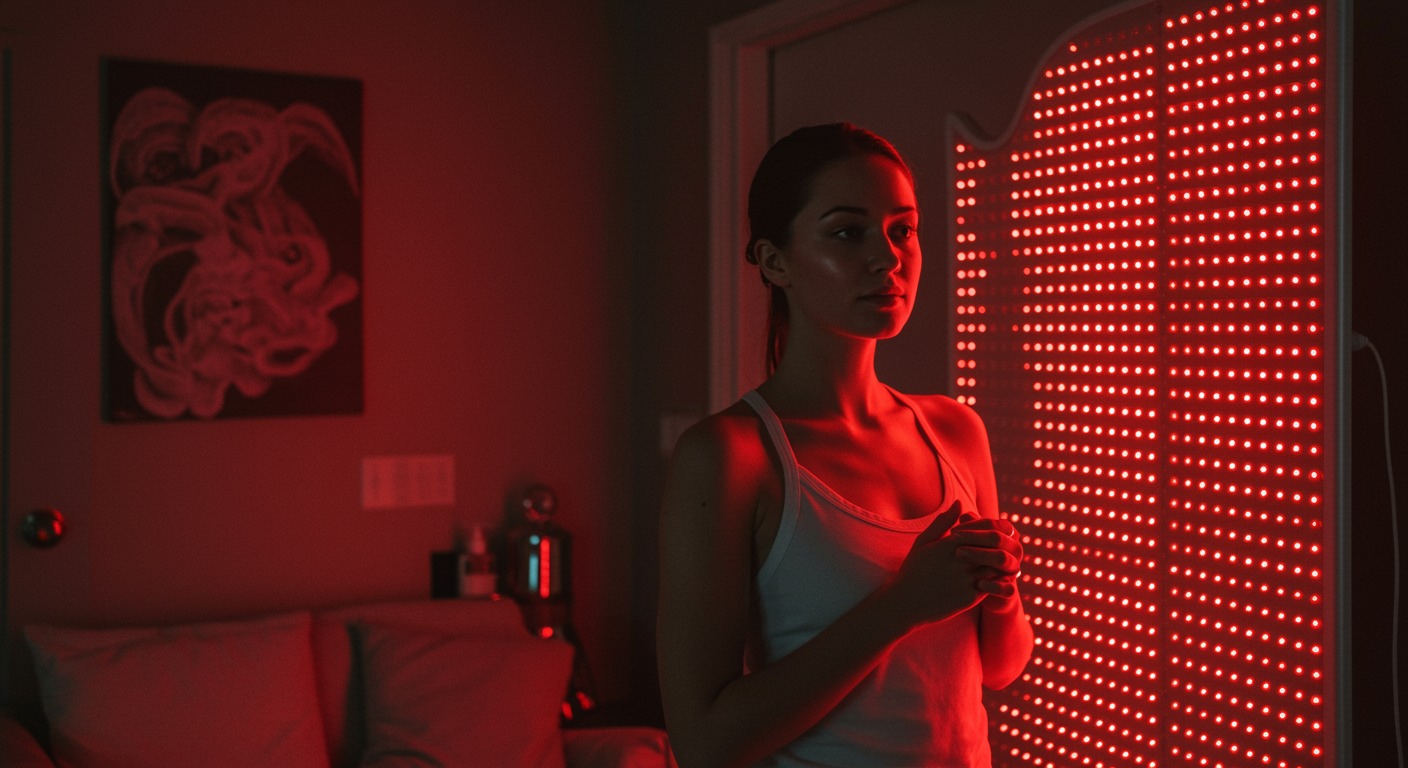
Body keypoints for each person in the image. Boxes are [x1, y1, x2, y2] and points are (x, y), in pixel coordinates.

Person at [656, 123, 1033, 768]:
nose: (887, 258)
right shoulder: (732, 456)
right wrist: (901, 607)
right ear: (775, 262)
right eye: (847, 233)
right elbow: (705, 744)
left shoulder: (955, 430)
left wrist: (999, 589)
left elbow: (999, 667)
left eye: (902, 230)